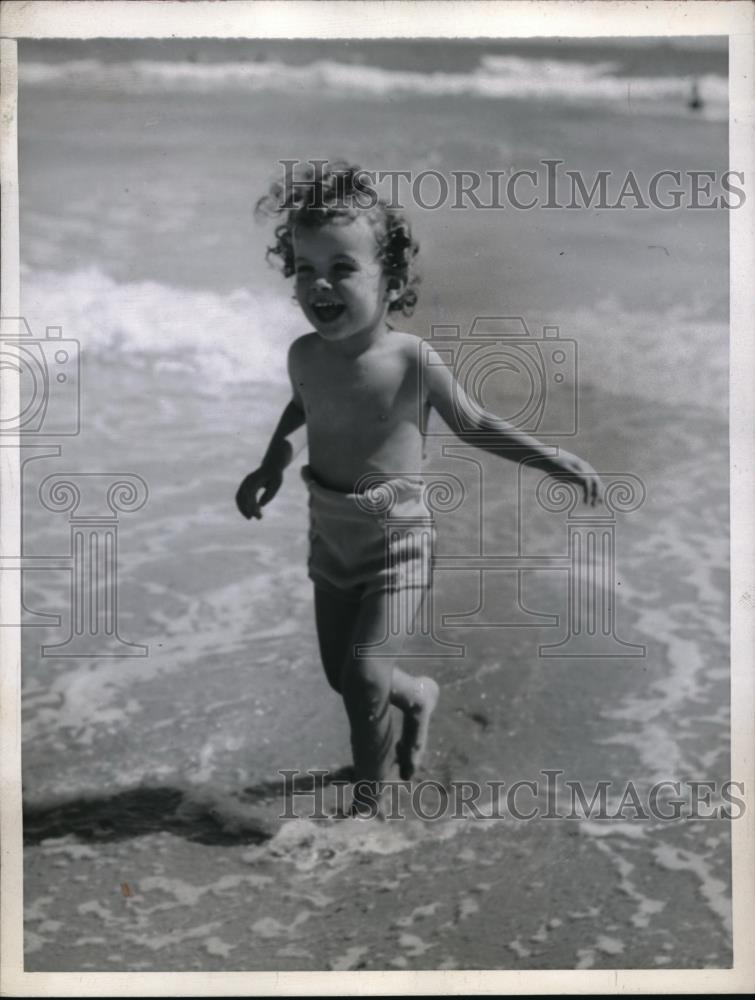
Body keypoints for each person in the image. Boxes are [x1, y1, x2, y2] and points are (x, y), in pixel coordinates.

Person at [236, 162, 602, 816]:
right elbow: (302, 411)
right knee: (343, 679)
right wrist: (269, 464)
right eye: (302, 267)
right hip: (331, 538)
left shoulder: (410, 359)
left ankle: (368, 810)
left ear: (391, 280)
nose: (318, 283)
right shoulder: (304, 355)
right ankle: (418, 696)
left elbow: (473, 424)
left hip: (397, 545)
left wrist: (550, 459)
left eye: (342, 268)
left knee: (362, 675)